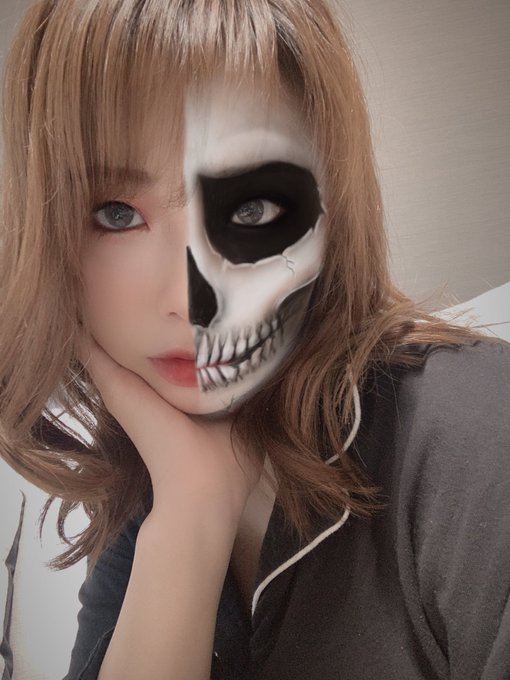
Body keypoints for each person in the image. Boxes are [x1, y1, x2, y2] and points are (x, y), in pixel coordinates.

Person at [0, 1, 509, 679]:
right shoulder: (141, 483)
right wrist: (191, 514)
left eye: (251, 207)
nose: (195, 301)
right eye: (116, 214)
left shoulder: (477, 439)